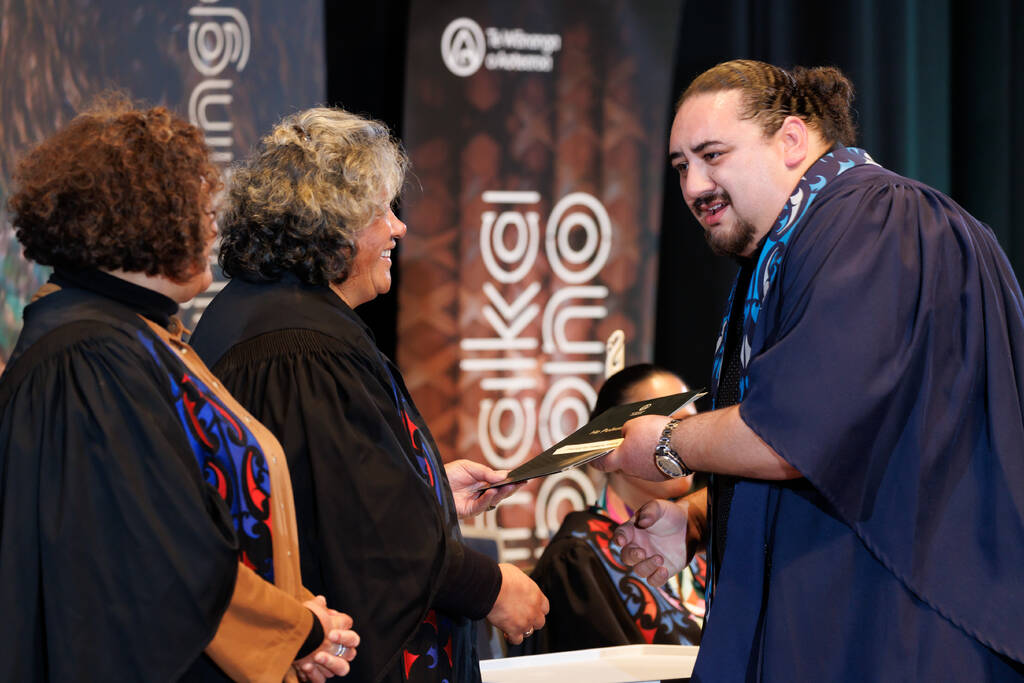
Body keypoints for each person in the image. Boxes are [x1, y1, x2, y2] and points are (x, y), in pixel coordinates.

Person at [595, 60, 1024, 680]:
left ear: (792, 140)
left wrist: (666, 445)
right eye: (681, 166)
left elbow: (795, 435)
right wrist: (697, 520)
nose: (693, 186)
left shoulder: (877, 221)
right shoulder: (799, 241)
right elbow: (861, 455)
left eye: (712, 155)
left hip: (901, 632)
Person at [0, 98, 359, 681]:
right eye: (197, 207)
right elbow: (163, 558)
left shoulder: (131, 335)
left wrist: (295, 623)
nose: (214, 224)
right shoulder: (89, 357)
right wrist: (298, 631)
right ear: (141, 219)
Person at [189, 107, 549, 683]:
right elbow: (369, 536)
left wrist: (429, 490)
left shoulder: (271, 318)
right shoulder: (301, 348)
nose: (398, 228)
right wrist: (490, 587)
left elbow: (324, 493)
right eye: (381, 210)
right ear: (330, 223)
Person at [516, 364, 704, 656]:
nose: (682, 442)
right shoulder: (578, 557)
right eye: (667, 427)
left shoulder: (705, 536)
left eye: (690, 427)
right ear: (613, 440)